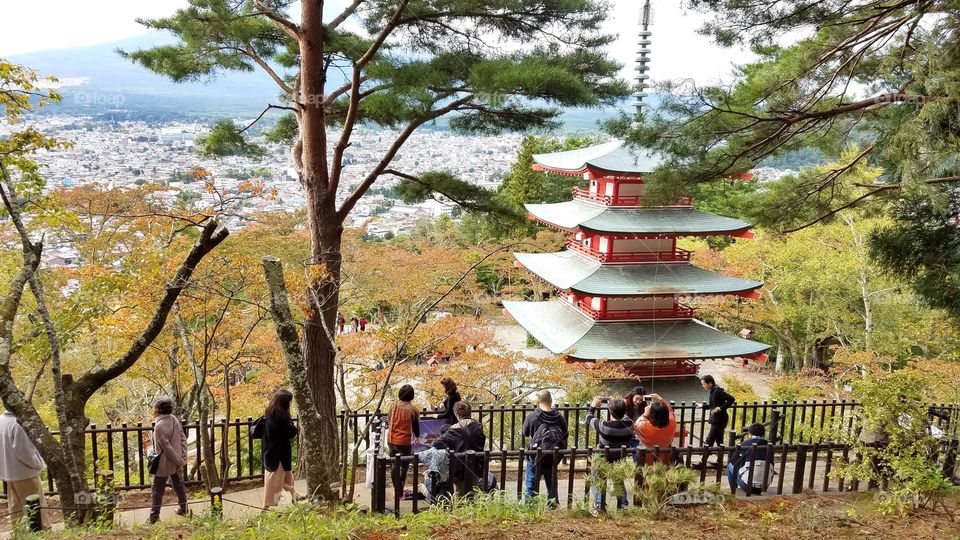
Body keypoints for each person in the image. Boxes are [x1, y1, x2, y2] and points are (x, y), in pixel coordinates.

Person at [0, 410, 48, 528]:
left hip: (9, 472)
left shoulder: (1, 420)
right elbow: (24, 452)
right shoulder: (18, 424)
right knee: (36, 507)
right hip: (25, 473)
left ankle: (19, 533)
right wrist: (39, 464)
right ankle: (43, 533)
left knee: (16, 508)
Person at [586, 397, 634, 511]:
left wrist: (593, 406)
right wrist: (616, 405)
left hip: (603, 458)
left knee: (596, 479)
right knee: (618, 480)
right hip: (619, 458)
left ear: (610, 412)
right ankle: (623, 505)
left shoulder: (604, 426)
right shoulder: (630, 425)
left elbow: (589, 418)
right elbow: (624, 417)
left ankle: (599, 505)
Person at [521, 390, 568, 505]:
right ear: (551, 401)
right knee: (551, 485)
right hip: (552, 457)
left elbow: (525, 433)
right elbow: (565, 434)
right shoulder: (559, 417)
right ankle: (552, 506)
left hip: (535, 456)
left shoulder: (532, 417)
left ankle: (530, 506)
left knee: (531, 484)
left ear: (538, 401)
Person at [431, 401, 486, 496]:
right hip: (478, 467)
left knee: (461, 495)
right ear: (470, 412)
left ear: (456, 414)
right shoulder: (478, 427)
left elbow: (435, 443)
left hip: (459, 469)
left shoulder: (453, 430)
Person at [149, 397, 188, 524]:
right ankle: (184, 509)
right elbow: (183, 437)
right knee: (179, 485)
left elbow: (167, 448)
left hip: (164, 463)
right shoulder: (174, 419)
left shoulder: (159, 426)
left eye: (155, 407)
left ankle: (154, 518)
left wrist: (178, 461)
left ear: (159, 410)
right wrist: (182, 455)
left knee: (157, 490)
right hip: (176, 460)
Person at [261, 389, 302, 507]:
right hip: (278, 454)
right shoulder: (281, 418)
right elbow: (291, 433)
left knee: (286, 477)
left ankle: (295, 495)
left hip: (270, 451)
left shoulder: (269, 413)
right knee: (275, 481)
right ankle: (266, 507)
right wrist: (293, 427)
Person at [387, 384, 420, 499]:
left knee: (394, 464)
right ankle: (400, 491)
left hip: (391, 439)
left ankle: (397, 489)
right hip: (404, 441)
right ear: (411, 396)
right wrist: (417, 436)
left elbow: (389, 420)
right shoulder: (412, 410)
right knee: (404, 466)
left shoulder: (393, 406)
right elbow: (416, 426)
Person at [697, 375, 735, 467]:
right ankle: (719, 462)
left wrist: (720, 408)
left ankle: (703, 462)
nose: (703, 386)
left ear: (710, 383)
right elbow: (713, 405)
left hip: (719, 419)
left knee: (709, 440)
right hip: (718, 418)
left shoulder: (717, 391)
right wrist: (703, 406)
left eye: (704, 384)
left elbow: (731, 399)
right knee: (719, 441)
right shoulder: (713, 391)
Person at [727, 423, 771, 494]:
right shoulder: (769, 445)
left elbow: (734, 462)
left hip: (748, 486)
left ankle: (733, 490)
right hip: (765, 486)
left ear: (749, 433)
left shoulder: (744, 444)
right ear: (763, 433)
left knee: (730, 467)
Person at [634, 393, 677, 464]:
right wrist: (660, 399)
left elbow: (636, 424)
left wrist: (645, 413)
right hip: (665, 454)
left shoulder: (644, 426)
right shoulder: (672, 422)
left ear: (651, 414)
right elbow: (670, 410)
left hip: (647, 456)